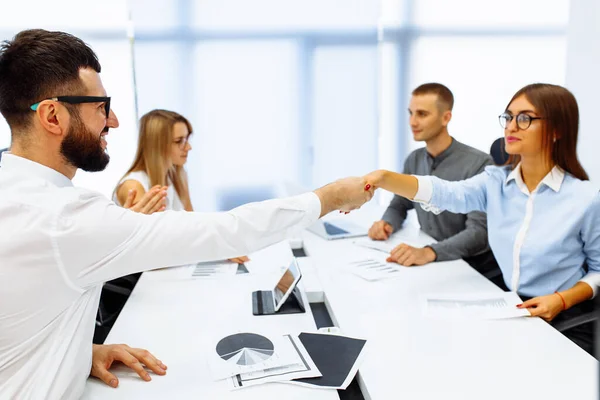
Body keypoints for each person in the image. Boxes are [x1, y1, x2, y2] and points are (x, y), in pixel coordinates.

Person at [0, 29, 374, 399]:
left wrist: (80, 352)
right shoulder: (62, 217)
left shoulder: (18, 194)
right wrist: (329, 197)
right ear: (52, 116)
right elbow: (229, 230)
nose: (112, 121)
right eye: (101, 107)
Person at [365, 83, 599, 355]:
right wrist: (383, 178)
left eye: (524, 118)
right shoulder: (494, 182)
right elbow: (446, 193)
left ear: (557, 130)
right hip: (515, 308)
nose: (511, 127)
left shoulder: (586, 197)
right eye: (508, 117)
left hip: (569, 318)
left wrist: (560, 299)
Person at [368, 83, 498, 276]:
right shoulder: (414, 159)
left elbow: (479, 233)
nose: (412, 122)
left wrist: (429, 252)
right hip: (435, 264)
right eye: (410, 113)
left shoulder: (480, 164)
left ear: (446, 117)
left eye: (422, 114)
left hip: (473, 270)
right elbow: (400, 205)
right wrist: (387, 223)